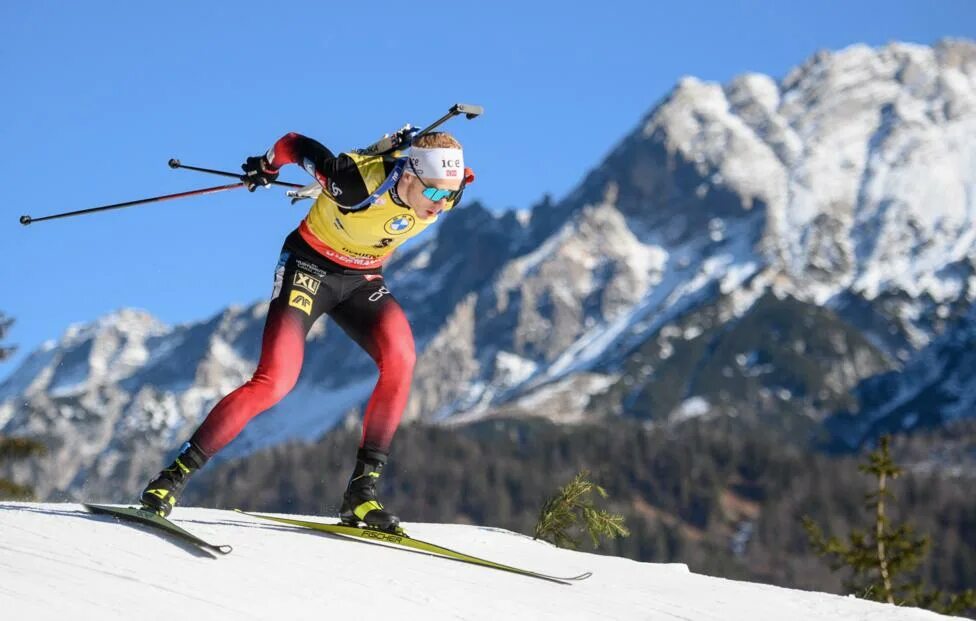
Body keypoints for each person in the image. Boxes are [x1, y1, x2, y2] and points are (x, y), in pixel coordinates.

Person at [139, 129, 473, 533]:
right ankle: (168, 481)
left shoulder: (436, 185)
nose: (441, 207)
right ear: (408, 175)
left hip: (362, 278)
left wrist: (400, 146)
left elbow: (433, 177)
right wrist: (266, 164)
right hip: (309, 267)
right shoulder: (351, 183)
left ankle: (361, 495)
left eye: (452, 196)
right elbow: (294, 143)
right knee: (275, 382)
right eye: (436, 195)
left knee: (402, 358)